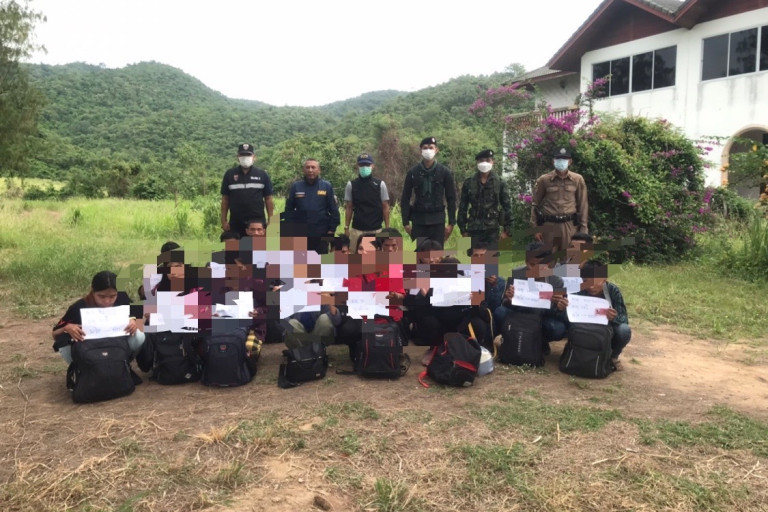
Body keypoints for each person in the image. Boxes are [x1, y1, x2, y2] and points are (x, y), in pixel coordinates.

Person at [52, 271, 145, 365]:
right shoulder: (79, 307)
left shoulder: (121, 298)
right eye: (101, 296)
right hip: (89, 350)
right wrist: (66, 328)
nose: (107, 301)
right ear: (93, 291)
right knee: (64, 343)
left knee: (139, 335)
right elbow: (55, 333)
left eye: (112, 296)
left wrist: (133, 321)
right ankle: (80, 369)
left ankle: (122, 364)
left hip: (116, 347)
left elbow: (137, 316)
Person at [574, 260, 631, 370]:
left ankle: (613, 356)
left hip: (606, 329)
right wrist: (562, 308)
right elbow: (567, 315)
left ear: (604, 279)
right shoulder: (577, 290)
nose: (591, 287)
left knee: (624, 330)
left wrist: (614, 317)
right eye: (586, 282)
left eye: (595, 282)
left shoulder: (613, 290)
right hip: (582, 328)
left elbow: (624, 319)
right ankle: (576, 352)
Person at [401, 136, 457, 247]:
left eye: (431, 147)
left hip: (437, 221)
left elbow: (451, 198)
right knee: (420, 254)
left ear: (436, 150)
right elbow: (405, 198)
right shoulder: (413, 172)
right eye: (425, 148)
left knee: (436, 254)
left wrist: (451, 223)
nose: (428, 150)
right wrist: (405, 222)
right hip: (419, 220)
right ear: (420, 150)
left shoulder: (445, 172)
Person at [531, 147, 588, 253]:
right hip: (549, 225)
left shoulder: (577, 179)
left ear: (570, 161)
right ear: (553, 161)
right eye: (558, 159)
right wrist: (535, 228)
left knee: (570, 258)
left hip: (569, 226)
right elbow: (535, 204)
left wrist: (583, 229)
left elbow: (583, 205)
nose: (561, 162)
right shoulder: (544, 180)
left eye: (564, 159)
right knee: (548, 259)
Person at [283, 158, 340, 255]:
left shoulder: (326, 186)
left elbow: (334, 210)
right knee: (301, 261)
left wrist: (332, 229)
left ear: (319, 170)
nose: (310, 170)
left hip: (321, 233)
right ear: (303, 170)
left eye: (313, 167)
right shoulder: (296, 186)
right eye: (307, 167)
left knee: (320, 261)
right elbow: (289, 210)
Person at [458, 149, 513, 244]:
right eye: (481, 160)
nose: (484, 163)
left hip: (492, 229)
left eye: (488, 160)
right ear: (477, 163)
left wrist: (507, 231)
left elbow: (507, 207)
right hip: (473, 228)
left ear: (493, 162)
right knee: (475, 253)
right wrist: (463, 230)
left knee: (491, 254)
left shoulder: (500, 182)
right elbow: (463, 207)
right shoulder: (469, 182)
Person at [220, 143, 275, 238]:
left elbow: (268, 199)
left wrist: (271, 220)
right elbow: (225, 199)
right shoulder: (229, 175)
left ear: (254, 157)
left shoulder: (262, 174)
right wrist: (223, 221)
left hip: (257, 223)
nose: (245, 157)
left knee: (258, 247)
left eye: (248, 155)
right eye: (242, 155)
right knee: (236, 247)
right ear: (238, 157)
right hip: (236, 222)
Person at [344, 153, 391, 253]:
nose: (364, 167)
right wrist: (346, 228)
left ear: (372, 166)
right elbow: (349, 207)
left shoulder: (380, 184)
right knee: (355, 259)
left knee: (374, 259)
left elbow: (385, 207)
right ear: (358, 166)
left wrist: (387, 228)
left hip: (376, 230)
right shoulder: (351, 185)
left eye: (367, 165)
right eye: (362, 165)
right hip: (357, 230)